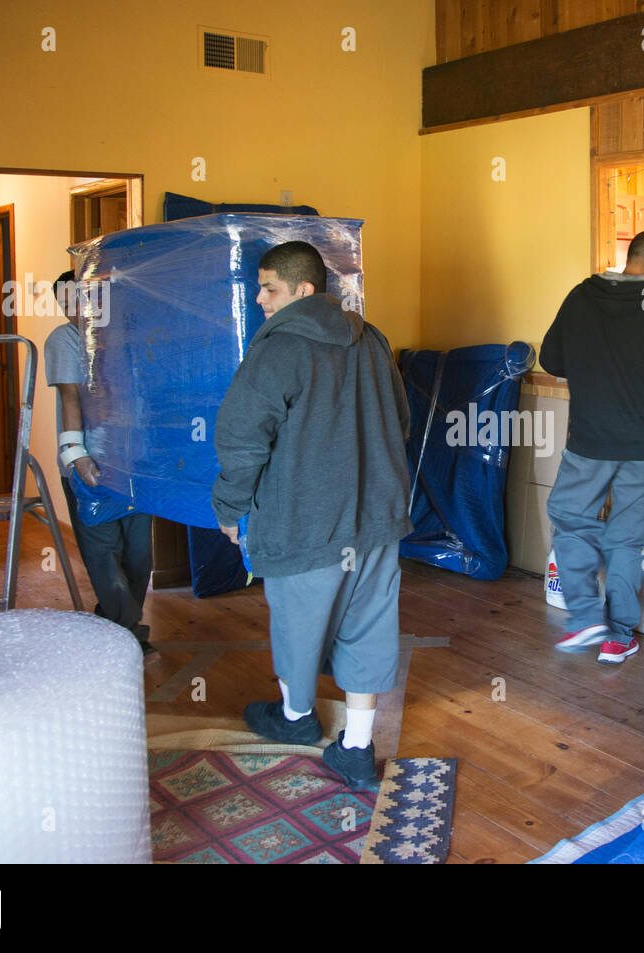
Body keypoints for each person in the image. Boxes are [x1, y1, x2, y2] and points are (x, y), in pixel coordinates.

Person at [212, 241, 411, 791]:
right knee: (368, 624)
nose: (260, 299)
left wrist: (229, 507)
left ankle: (298, 719)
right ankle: (357, 747)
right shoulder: (370, 339)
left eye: (269, 288)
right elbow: (400, 418)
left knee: (299, 623)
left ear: (303, 290)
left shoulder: (278, 350)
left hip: (306, 518)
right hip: (375, 516)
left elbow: (240, 439)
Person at [541, 229, 644, 663]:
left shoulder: (582, 295)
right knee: (628, 540)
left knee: (571, 518)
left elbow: (551, 360)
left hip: (588, 440)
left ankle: (585, 616)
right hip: (642, 446)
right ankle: (616, 636)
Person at [45, 270, 158, 660]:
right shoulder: (66, 339)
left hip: (131, 463)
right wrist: (76, 453)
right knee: (103, 551)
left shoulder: (121, 340)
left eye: (84, 301)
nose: (78, 311)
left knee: (139, 552)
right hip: (88, 465)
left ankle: (116, 620)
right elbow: (70, 397)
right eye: (68, 303)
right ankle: (129, 634)